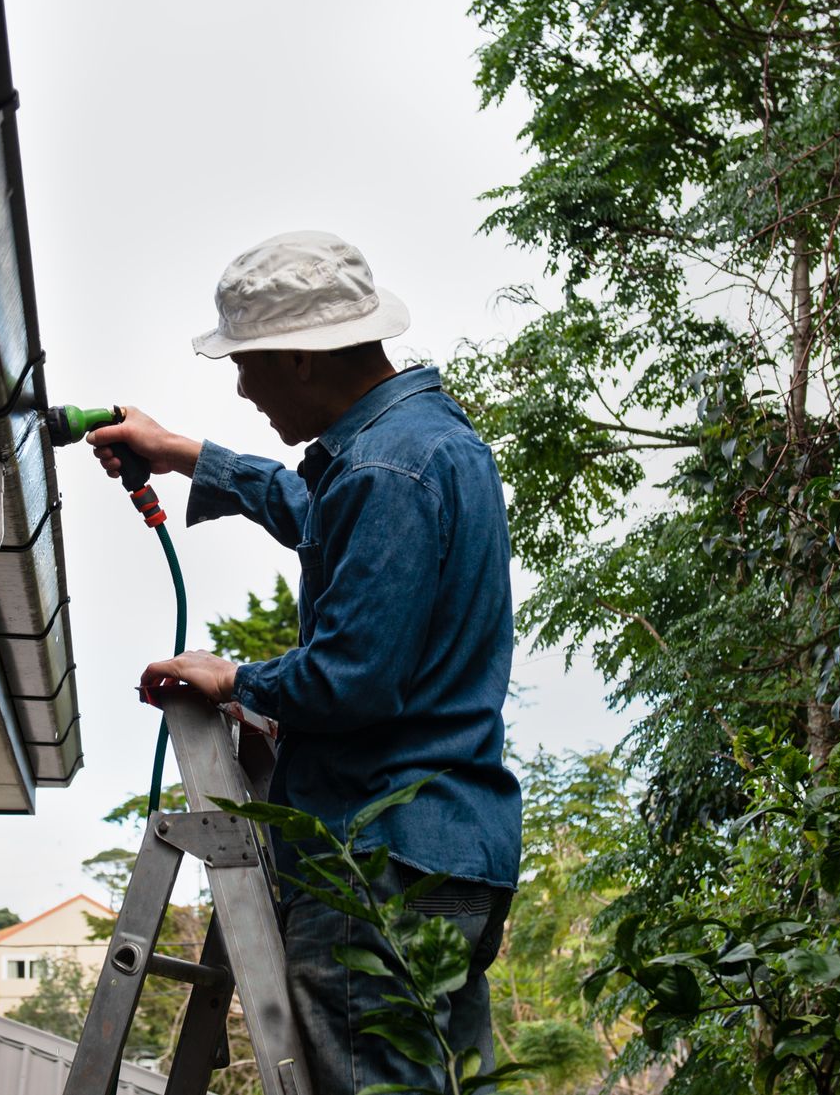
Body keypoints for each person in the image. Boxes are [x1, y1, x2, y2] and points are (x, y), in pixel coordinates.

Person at [87, 231, 521, 1094]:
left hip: (380, 858)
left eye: (248, 364)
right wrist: (186, 454)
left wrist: (237, 679)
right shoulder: (422, 443)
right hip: (451, 853)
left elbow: (350, 679)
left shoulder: (385, 471)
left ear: (299, 358)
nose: (243, 386)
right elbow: (321, 509)